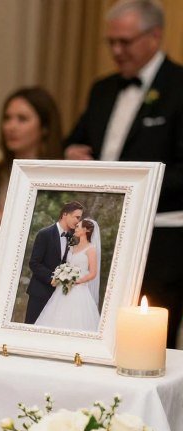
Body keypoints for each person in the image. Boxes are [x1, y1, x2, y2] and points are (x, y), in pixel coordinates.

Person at [65, 0, 183, 347]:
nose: (116, 51)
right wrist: (73, 152)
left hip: (162, 237)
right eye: (111, 42)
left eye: (125, 42)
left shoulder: (180, 86)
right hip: (108, 229)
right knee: (99, 328)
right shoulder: (102, 89)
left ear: (155, 36)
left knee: (149, 339)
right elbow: (76, 140)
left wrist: (133, 184)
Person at [0, 87, 63, 324]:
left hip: (39, 281)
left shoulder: (60, 175)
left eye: (22, 119)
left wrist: (5, 218)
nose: (11, 126)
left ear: (45, 127)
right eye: (7, 118)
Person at [35, 218, 102, 332]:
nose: (75, 228)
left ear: (86, 230)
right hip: (63, 288)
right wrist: (62, 274)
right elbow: (66, 265)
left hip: (79, 290)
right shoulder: (73, 246)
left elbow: (93, 273)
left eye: (78, 226)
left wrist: (77, 281)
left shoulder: (91, 249)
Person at [24, 201, 85, 324]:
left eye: (80, 218)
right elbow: (34, 263)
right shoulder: (44, 234)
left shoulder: (74, 237)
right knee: (31, 328)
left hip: (60, 297)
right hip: (40, 293)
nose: (78, 221)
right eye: (76, 217)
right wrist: (51, 278)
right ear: (65, 214)